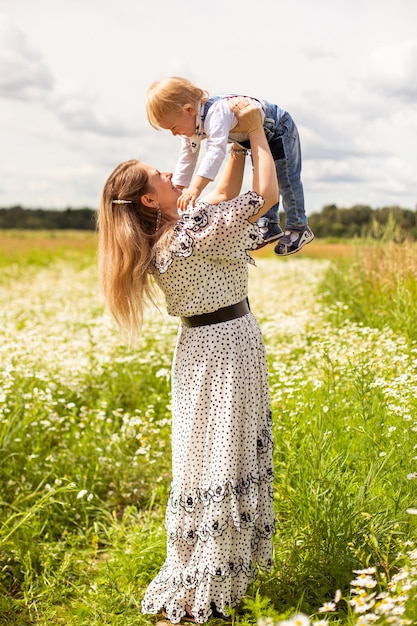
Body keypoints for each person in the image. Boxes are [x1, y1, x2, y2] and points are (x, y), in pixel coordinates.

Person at [97, 97, 276, 624]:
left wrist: (236, 145)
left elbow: (219, 194)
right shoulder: (193, 234)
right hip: (227, 347)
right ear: (150, 200)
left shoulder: (170, 236)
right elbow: (262, 197)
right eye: (160, 175)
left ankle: (209, 574)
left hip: (201, 349)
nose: (174, 172)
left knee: (207, 459)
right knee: (225, 454)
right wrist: (259, 134)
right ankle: (210, 585)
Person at [146, 76, 314, 256]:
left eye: (173, 127)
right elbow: (187, 155)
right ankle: (269, 224)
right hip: (254, 135)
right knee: (262, 173)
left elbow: (215, 152)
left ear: (189, 109)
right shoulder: (193, 124)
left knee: (286, 178)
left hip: (279, 129)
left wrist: (195, 188)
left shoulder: (215, 114)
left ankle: (298, 226)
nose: (173, 134)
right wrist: (178, 187)